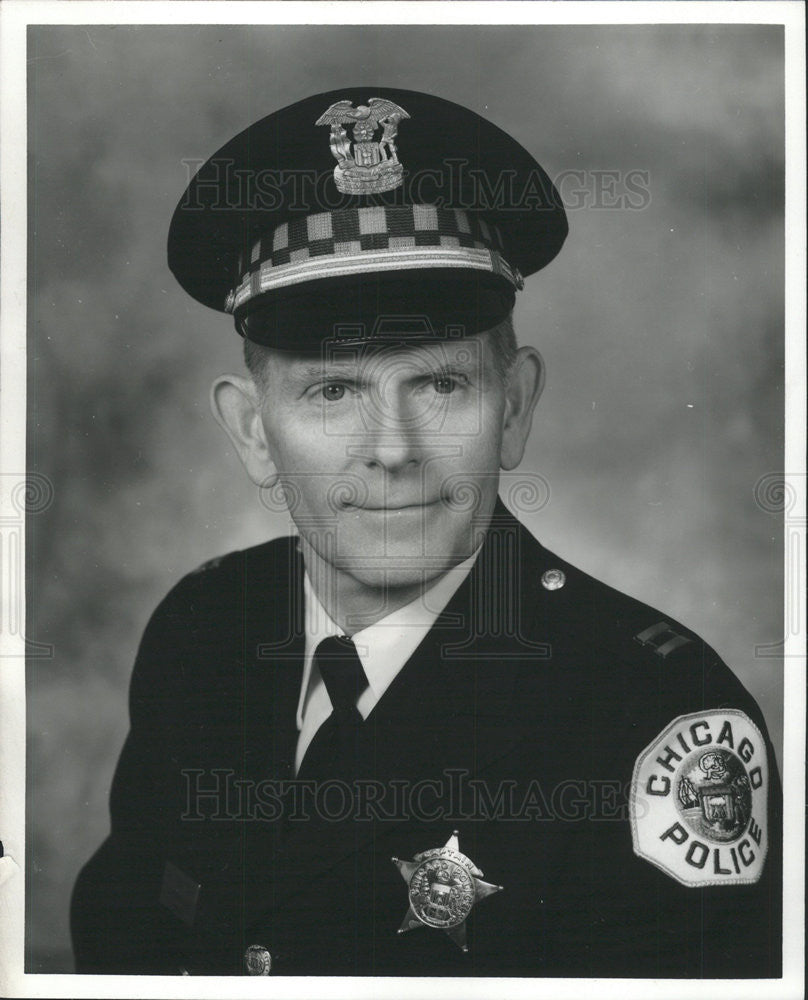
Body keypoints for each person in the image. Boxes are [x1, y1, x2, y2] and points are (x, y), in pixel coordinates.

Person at [70, 87, 781, 978]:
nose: (394, 451)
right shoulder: (201, 632)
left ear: (514, 407)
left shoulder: (649, 717)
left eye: (441, 385)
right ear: (254, 433)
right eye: (333, 392)